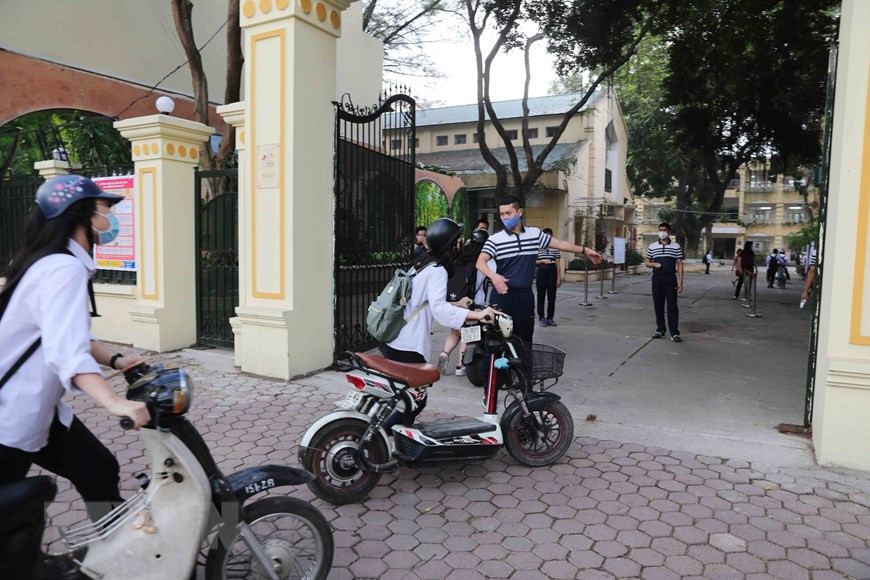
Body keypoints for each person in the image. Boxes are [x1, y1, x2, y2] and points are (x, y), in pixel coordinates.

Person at [0, 175, 150, 522]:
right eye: (104, 207)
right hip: (11, 417)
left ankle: (111, 552)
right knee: (11, 521)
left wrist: (115, 359)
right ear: (79, 213)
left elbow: (71, 333)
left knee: (98, 469)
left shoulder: (53, 264)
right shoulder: (62, 269)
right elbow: (66, 351)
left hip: (39, 408)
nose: (109, 216)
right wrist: (113, 401)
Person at [382, 219, 496, 420]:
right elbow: (440, 311)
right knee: (415, 399)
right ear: (449, 244)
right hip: (408, 343)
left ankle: (400, 438)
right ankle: (384, 436)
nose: (460, 244)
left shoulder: (421, 265)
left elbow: (424, 301)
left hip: (396, 337)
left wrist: (459, 304)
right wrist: (477, 315)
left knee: (408, 398)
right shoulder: (437, 270)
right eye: (457, 240)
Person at [477, 195, 602, 343]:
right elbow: (480, 263)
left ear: (519, 212)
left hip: (525, 296)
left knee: (525, 340)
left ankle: (524, 366)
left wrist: (584, 250)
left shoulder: (534, 234)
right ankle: (493, 367)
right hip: (502, 296)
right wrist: (494, 276)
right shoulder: (495, 239)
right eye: (502, 214)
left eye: (508, 213)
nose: (505, 217)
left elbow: (561, 244)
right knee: (496, 341)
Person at [436, 228, 491, 376]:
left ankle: (445, 354)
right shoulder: (483, 261)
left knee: (455, 333)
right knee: (469, 334)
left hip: (455, 301)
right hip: (472, 303)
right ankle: (460, 366)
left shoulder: (459, 258)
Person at [645, 222, 685, 342]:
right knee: (658, 305)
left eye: (665, 230)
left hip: (670, 279)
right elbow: (647, 262)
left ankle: (674, 332)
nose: (662, 232)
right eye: (660, 229)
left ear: (669, 232)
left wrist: (680, 281)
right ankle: (660, 329)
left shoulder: (676, 246)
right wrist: (654, 264)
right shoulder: (652, 246)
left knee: (672, 306)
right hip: (657, 279)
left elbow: (679, 264)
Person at [535, 228, 561, 327]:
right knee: (540, 296)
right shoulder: (537, 247)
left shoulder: (555, 248)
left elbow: (558, 263)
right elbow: (532, 262)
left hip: (552, 272)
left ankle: (550, 318)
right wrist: (542, 261)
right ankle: (541, 317)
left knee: (552, 297)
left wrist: (559, 277)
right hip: (542, 271)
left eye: (549, 236)